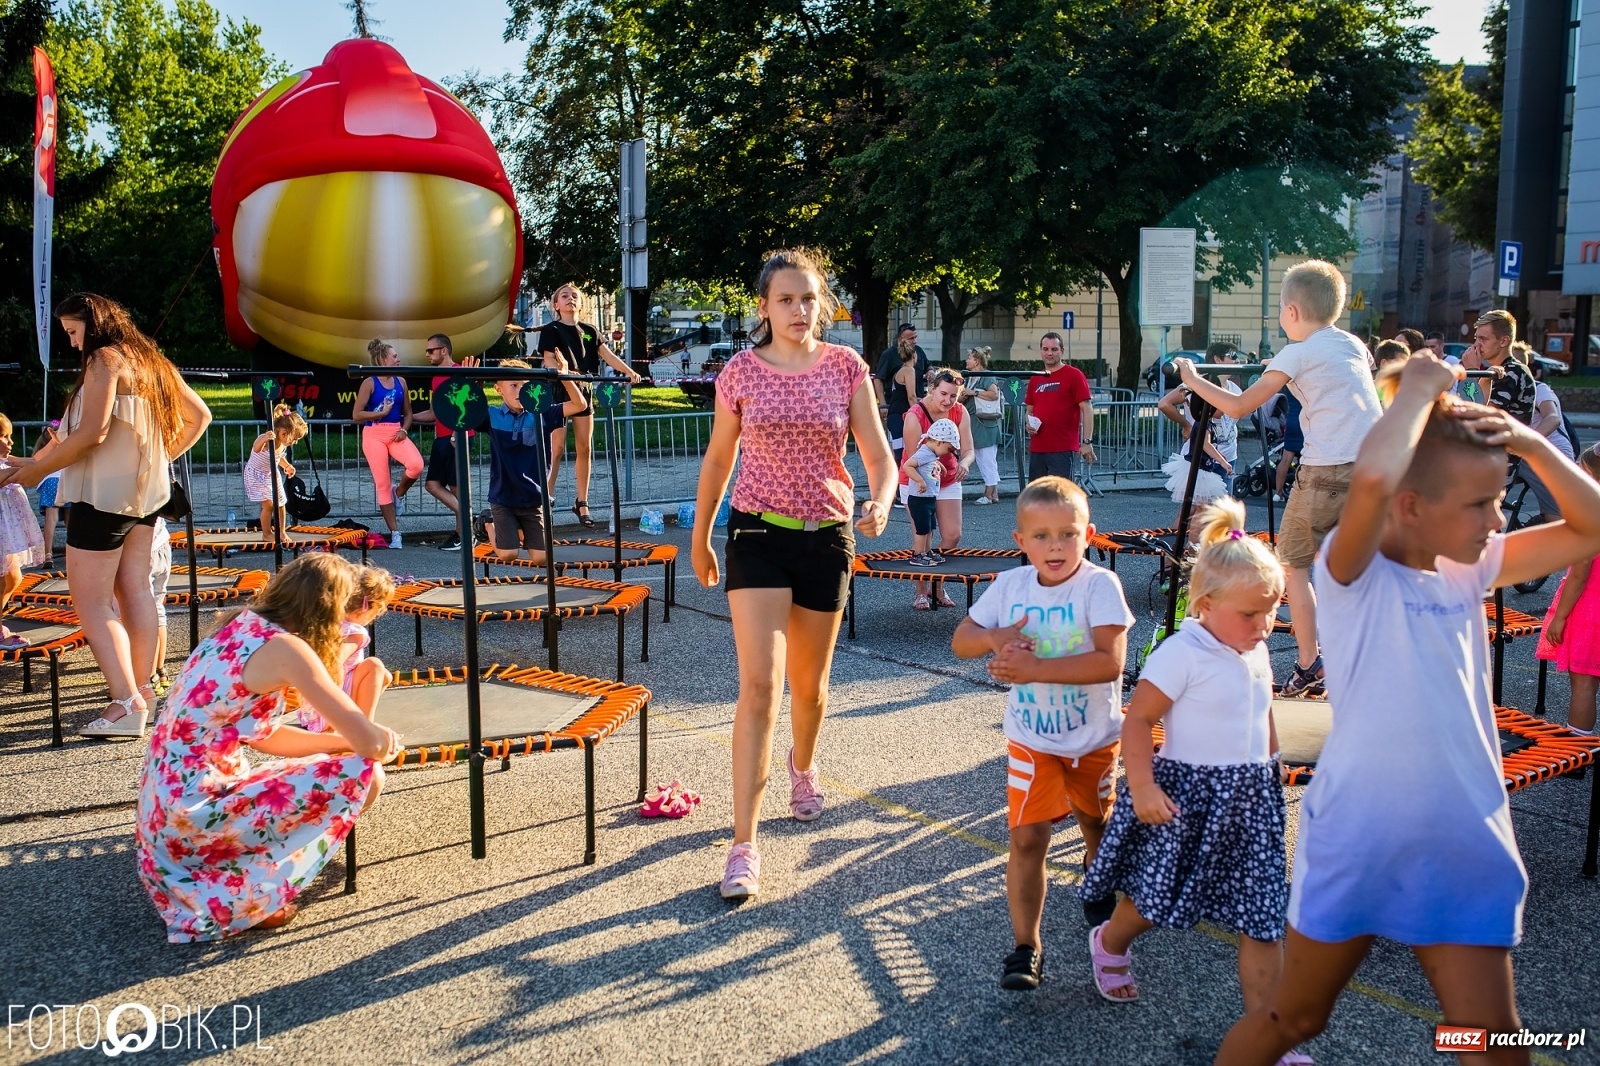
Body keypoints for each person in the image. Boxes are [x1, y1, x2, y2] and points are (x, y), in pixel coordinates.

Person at [1215, 353, 1600, 1066]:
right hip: (1362, 835)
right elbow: (1369, 478)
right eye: (1478, 504)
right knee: (1290, 1020)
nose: (1494, 520)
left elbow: (1593, 525)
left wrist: (1529, 442)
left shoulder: (1468, 567)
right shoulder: (1350, 573)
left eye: (1497, 500)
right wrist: (1419, 388)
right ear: (1411, 505)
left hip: (1462, 837)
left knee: (1493, 1043)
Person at [691, 248, 896, 900]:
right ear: (764, 306)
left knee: (809, 691)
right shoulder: (741, 372)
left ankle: (801, 768)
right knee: (760, 686)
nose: (800, 310)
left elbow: (879, 457)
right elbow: (719, 457)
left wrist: (881, 499)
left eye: (809, 298)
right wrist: (699, 538)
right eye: (786, 299)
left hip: (827, 540)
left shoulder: (845, 367)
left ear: (822, 303)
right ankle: (743, 846)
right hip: (756, 536)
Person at [1077, 499, 1308, 1061]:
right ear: (1205, 605)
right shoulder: (1183, 652)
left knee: (1262, 918)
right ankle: (1109, 942)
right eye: (1252, 613)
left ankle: (1268, 1033)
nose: (1265, 624)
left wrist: (1273, 757)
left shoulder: (1251, 648)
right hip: (1187, 795)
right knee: (1155, 900)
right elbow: (1138, 721)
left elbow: (1263, 706)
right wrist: (1146, 786)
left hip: (1250, 797)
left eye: (1272, 611)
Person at [135, 553, 402, 942]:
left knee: (341, 759)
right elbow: (371, 743)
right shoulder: (288, 650)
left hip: (165, 817)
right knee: (366, 773)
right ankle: (250, 895)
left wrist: (340, 742)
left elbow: (266, 736)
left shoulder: (238, 626)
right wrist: (376, 741)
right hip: (196, 818)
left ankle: (238, 876)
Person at [0, 293, 211, 738]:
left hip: (101, 499)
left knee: (91, 601)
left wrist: (37, 471)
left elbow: (92, 433)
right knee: (134, 591)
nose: (73, 344)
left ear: (92, 325)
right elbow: (201, 416)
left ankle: (124, 701)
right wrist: (156, 460)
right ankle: (144, 693)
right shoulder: (149, 360)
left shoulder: (104, 360)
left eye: (74, 333)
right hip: (145, 498)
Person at [952, 476, 1135, 990]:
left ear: (1089, 534)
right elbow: (961, 640)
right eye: (1041, 536)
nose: (1055, 546)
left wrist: (1034, 670)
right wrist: (993, 637)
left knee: (1096, 824)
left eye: (1067, 534)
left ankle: (1097, 882)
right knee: (1028, 838)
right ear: (1020, 540)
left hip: (1095, 740)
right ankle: (1026, 946)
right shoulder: (1010, 585)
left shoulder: (1100, 585)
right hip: (1033, 739)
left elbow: (1108, 663)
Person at [1177, 260, 1382, 696]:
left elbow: (1237, 407)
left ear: (1290, 312)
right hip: (1376, 469)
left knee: (1294, 566)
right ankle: (1358, 658)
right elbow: (1333, 378)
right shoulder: (1351, 344)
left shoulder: (1298, 353)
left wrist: (1194, 380)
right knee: (1348, 569)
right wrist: (1281, 365)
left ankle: (1310, 663)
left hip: (1327, 470)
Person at [536, 282, 642, 528]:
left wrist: (629, 372)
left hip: (584, 388)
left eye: (575, 296)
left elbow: (607, 355)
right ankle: (546, 499)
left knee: (584, 447)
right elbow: (550, 361)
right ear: (556, 304)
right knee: (557, 448)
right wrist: (564, 373)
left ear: (581, 303)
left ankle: (582, 501)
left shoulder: (589, 330)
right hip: (559, 389)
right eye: (565, 295)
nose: (570, 299)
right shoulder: (551, 329)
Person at [484, 352, 589, 564]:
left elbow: (580, 406)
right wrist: (471, 381)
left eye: (524, 385)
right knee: (509, 554)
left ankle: (519, 529)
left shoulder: (541, 413)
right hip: (503, 497)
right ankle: (486, 522)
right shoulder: (492, 416)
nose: (519, 390)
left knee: (541, 559)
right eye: (513, 385)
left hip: (533, 499)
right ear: (499, 389)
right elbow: (467, 411)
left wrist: (565, 376)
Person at [1536, 444, 1600, 737]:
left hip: (1590, 609)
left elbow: (1579, 574)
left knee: (1584, 683)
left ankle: (1578, 751)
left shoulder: (1590, 514)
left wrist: (1560, 617)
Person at [901, 370, 977, 607]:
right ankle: (921, 590)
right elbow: (913, 460)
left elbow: (969, 450)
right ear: (932, 389)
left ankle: (937, 584)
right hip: (918, 480)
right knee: (923, 535)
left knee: (952, 535)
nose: (947, 400)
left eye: (953, 396)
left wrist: (964, 463)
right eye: (943, 394)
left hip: (948, 478)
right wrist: (926, 481)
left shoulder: (959, 411)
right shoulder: (915, 416)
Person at [298, 564, 396, 732]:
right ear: (370, 607)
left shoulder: (327, 622)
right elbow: (335, 662)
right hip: (331, 705)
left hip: (315, 705)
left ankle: (356, 721)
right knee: (374, 665)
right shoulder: (355, 632)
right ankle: (364, 728)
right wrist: (335, 703)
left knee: (385, 676)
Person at [353, 339, 423, 549]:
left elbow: (408, 413)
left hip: (395, 431)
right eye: (394, 356)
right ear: (383, 360)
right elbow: (357, 414)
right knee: (382, 484)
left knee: (416, 465)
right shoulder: (369, 382)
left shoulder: (401, 381)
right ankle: (395, 533)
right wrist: (381, 413)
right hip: (374, 433)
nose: (398, 359)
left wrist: (404, 429)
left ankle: (399, 492)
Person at [410, 334, 478, 551]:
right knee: (432, 485)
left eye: (431, 350)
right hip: (441, 439)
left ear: (444, 351)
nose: (427, 355)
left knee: (457, 490)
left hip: (457, 438)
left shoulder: (457, 372)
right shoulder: (436, 376)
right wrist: (406, 418)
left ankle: (465, 532)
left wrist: (459, 433)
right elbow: (433, 412)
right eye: (426, 351)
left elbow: (469, 407)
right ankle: (467, 526)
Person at [0, 412, 47, 648]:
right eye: (4, 437)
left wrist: (16, 464)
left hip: (7, 536)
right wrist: (14, 471)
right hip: (1, 535)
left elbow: (33, 463)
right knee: (6, 578)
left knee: (13, 578)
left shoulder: (6, 461)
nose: (10, 442)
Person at [1024, 332, 1095, 481]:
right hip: (1038, 448)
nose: (1049, 353)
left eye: (1054, 349)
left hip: (1062, 448)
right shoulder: (1036, 377)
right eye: (1046, 349)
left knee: (1059, 498)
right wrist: (1028, 423)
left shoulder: (1074, 375)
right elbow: (1029, 409)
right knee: (1037, 498)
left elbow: (1087, 408)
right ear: (1041, 351)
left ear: (1062, 351)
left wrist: (1087, 442)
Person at [1516, 341, 1572, 523]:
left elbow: (1553, 419)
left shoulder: (1539, 389)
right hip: (1527, 455)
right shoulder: (1508, 393)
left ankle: (1557, 531)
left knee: (1555, 516)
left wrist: (1524, 444)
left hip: (1552, 455)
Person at [901, 418, 961, 580]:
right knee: (922, 529)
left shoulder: (932, 455)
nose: (949, 453)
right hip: (919, 498)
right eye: (948, 449)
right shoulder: (924, 452)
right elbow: (908, 465)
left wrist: (939, 466)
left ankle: (927, 552)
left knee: (929, 528)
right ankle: (918, 554)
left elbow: (928, 463)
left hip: (929, 498)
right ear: (940, 443)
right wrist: (919, 481)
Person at [243, 404, 306, 545]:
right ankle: (266, 534)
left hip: (271, 474)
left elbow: (278, 457)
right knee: (269, 506)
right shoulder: (267, 441)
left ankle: (281, 531)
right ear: (283, 433)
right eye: (294, 439)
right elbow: (256, 447)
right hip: (256, 475)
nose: (294, 443)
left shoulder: (282, 444)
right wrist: (264, 438)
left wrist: (287, 466)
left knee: (281, 503)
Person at [1463, 310, 1536, 425]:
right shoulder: (1498, 370)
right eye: (1476, 338)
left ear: (1503, 341)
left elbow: (1475, 415)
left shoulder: (1511, 372)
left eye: (1483, 339)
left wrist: (1472, 372)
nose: (1477, 344)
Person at [874, 323, 929, 463]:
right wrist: (918, 413)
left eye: (915, 337)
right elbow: (911, 396)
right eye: (911, 338)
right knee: (902, 451)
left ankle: (901, 480)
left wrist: (931, 372)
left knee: (901, 450)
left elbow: (928, 367)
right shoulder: (907, 369)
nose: (914, 341)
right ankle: (901, 481)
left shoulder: (905, 368)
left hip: (900, 413)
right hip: (902, 413)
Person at [962, 347, 1003, 505]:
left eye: (969, 358)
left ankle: (988, 494)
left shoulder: (986, 376)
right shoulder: (970, 378)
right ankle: (994, 493)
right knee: (985, 458)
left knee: (986, 458)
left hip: (986, 424)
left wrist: (975, 393)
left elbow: (994, 394)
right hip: (977, 423)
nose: (967, 360)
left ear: (977, 361)